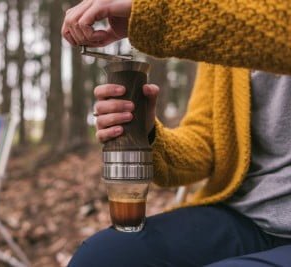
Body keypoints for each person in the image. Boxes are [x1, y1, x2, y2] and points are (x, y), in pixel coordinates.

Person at [62, 0, 291, 266]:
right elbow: (207, 141)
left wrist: (154, 13)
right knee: (101, 257)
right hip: (247, 217)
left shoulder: (221, 15)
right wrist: (149, 134)